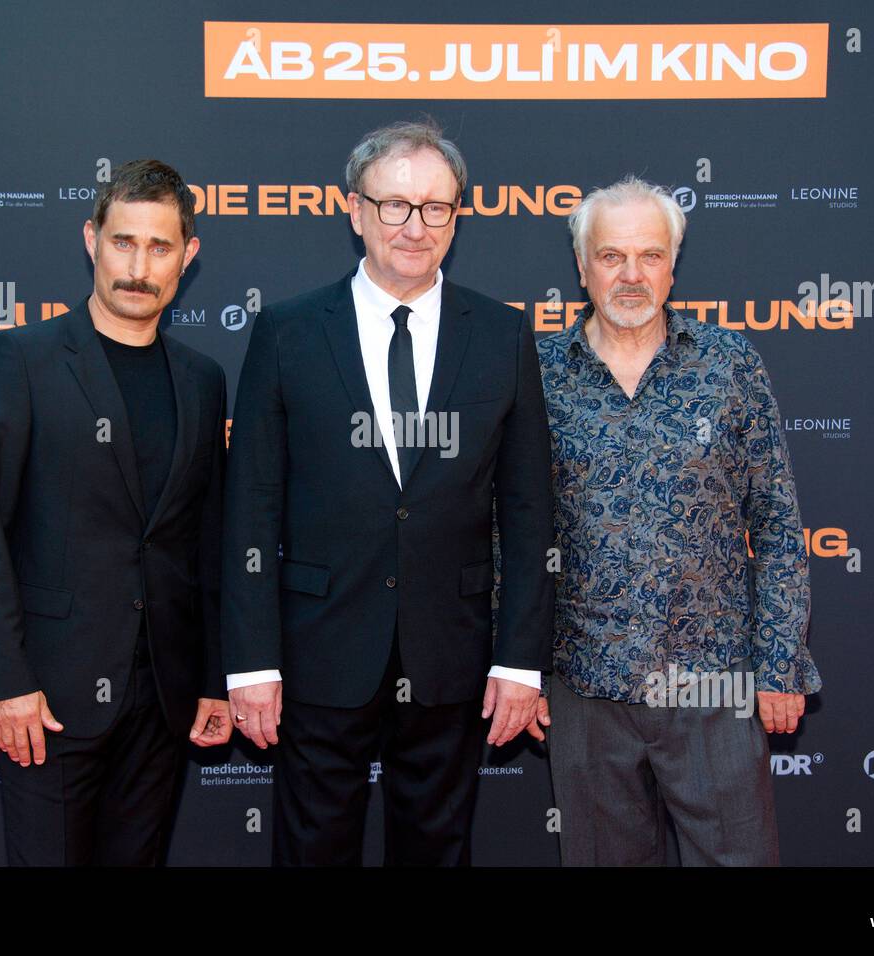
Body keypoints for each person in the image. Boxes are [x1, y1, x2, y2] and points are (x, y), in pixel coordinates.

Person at [221, 120, 555, 866]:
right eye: (396, 204)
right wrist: (250, 662)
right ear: (355, 210)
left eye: (435, 207)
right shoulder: (287, 332)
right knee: (313, 850)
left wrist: (520, 661)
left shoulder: (504, 336)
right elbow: (252, 505)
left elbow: (530, 513)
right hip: (318, 650)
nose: (415, 226)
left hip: (453, 653)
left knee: (439, 849)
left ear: (457, 217)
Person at [0, 159, 232, 866]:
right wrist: (5, 681)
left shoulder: (202, 380)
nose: (138, 266)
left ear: (187, 256)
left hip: (162, 700)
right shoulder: (18, 360)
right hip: (47, 696)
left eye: (160, 247)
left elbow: (209, 541)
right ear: (91, 240)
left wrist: (210, 678)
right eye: (122, 242)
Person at [538, 175, 822, 866]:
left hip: (715, 684)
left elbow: (779, 522)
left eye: (649, 256)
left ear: (673, 264)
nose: (631, 275)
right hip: (584, 686)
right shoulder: (536, 370)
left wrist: (780, 662)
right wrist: (511, 666)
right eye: (611, 256)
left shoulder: (729, 365)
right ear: (581, 267)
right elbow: (501, 529)